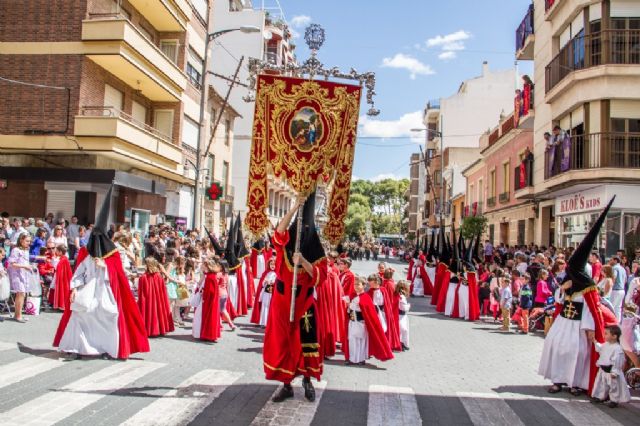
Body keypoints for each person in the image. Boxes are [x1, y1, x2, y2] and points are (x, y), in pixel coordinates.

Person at [53, 186, 149, 360]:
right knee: (80, 316)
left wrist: (105, 266)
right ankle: (78, 347)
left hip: (106, 292)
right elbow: (79, 272)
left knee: (109, 316)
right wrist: (74, 288)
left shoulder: (112, 255)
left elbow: (118, 274)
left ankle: (107, 348)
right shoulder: (84, 252)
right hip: (87, 290)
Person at [539, 198, 612, 397]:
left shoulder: (588, 290)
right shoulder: (568, 285)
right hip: (564, 322)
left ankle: (576, 384)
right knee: (555, 345)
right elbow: (559, 301)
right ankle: (558, 380)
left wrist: (589, 329)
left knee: (577, 353)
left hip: (579, 325)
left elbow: (591, 309)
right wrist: (563, 289)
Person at [263, 194, 323, 403]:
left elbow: (320, 277)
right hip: (281, 303)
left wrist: (304, 261)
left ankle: (307, 380)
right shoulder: (284, 246)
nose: (302, 232)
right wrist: (294, 207)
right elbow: (279, 231)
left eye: (306, 230)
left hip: (304, 304)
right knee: (283, 345)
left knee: (306, 344)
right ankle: (287, 384)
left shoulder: (316, 251)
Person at [343, 276, 394, 365]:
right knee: (352, 340)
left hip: (360, 323)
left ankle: (359, 359)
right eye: (354, 284)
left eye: (358, 284)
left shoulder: (365, 298)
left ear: (363, 286)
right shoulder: (353, 295)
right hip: (352, 322)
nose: (355, 286)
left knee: (360, 341)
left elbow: (369, 314)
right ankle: (353, 358)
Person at [590, 325, 631, 407]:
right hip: (603, 369)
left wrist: (615, 372)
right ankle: (600, 397)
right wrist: (595, 342)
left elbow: (617, 361)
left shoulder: (617, 348)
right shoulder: (606, 344)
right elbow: (600, 349)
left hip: (611, 370)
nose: (604, 335)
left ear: (614, 336)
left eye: (606, 334)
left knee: (613, 386)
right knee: (602, 384)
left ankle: (614, 400)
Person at [137, 257, 174, 337]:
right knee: (158, 312)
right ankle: (160, 329)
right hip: (158, 301)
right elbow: (163, 291)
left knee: (150, 312)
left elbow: (141, 293)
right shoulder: (158, 276)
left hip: (148, 301)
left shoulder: (143, 277)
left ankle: (150, 329)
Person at [368, 273, 401, 352]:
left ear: (376, 282)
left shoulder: (383, 290)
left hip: (382, 313)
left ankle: (384, 346)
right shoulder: (370, 291)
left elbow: (387, 303)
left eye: (370, 281)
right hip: (374, 313)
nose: (368, 283)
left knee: (384, 329)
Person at [191, 258, 221, 342]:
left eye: (203, 265)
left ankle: (204, 334)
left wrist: (203, 293)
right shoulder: (211, 275)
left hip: (207, 301)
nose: (202, 266)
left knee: (199, 316)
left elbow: (210, 291)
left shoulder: (210, 277)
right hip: (208, 301)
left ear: (207, 266)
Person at [7, 233, 34, 323]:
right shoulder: (16, 250)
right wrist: (24, 266)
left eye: (29, 241)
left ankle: (17, 314)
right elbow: (12, 263)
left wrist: (28, 266)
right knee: (21, 293)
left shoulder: (26, 250)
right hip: (16, 274)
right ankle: (18, 316)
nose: (28, 243)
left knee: (22, 294)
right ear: (21, 240)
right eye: (27, 241)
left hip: (23, 274)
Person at [251, 258, 276, 327]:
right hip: (266, 293)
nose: (273, 266)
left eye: (274, 264)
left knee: (271, 308)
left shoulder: (278, 273)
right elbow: (261, 284)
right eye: (271, 264)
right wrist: (265, 282)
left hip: (273, 294)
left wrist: (272, 283)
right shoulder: (266, 273)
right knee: (264, 307)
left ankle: (270, 323)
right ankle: (263, 322)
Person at [49, 245, 72, 311]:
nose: (55, 252)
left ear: (60, 252)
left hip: (61, 279)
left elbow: (58, 269)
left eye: (57, 251)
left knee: (59, 290)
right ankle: (54, 303)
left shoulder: (63, 260)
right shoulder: (63, 259)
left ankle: (61, 305)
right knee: (53, 289)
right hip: (58, 277)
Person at [394, 280, 411, 351]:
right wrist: (409, 306)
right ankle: (402, 343)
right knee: (404, 330)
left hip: (398, 315)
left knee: (401, 330)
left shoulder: (396, 294)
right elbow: (404, 308)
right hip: (401, 316)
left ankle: (401, 343)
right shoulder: (402, 297)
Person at [610, 256, 627, 322]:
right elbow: (625, 280)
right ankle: (617, 322)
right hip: (622, 290)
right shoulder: (623, 268)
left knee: (612, 307)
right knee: (618, 308)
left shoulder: (615, 268)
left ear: (615, 261)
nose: (610, 261)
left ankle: (612, 322)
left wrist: (611, 286)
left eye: (612, 260)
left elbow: (614, 277)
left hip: (615, 290)